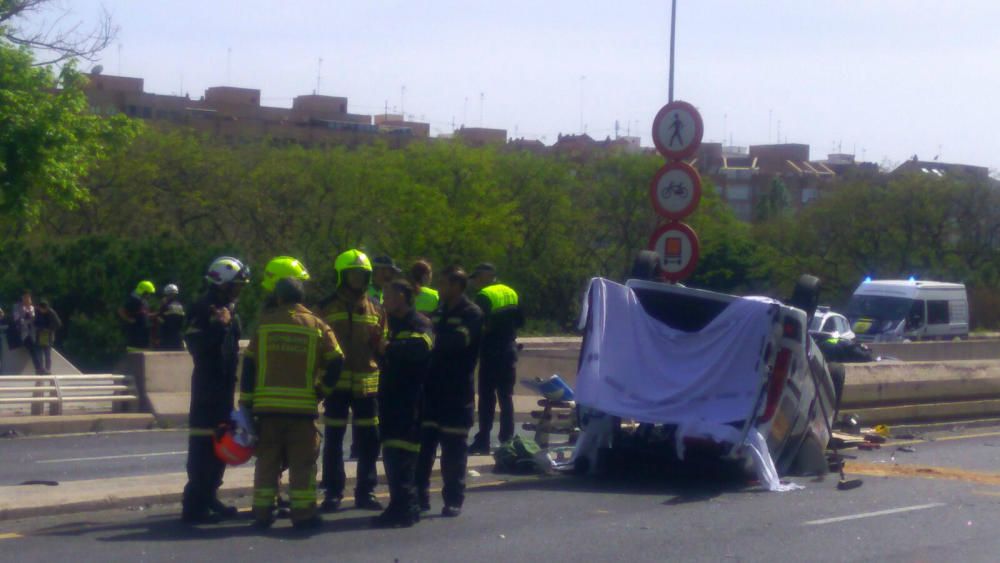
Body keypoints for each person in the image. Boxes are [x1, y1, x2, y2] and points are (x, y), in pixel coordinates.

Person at [241, 276, 344, 530]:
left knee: (266, 463)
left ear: (278, 297)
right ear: (302, 298)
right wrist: (323, 390)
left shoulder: (264, 325)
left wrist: (246, 403)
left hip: (267, 410)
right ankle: (303, 515)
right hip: (301, 409)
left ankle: (263, 513)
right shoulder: (316, 325)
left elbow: (250, 366)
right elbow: (337, 360)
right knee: (302, 465)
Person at [180, 257, 250, 524]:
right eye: (236, 285)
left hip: (223, 388)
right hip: (206, 390)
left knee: (220, 444)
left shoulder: (229, 310)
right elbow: (198, 348)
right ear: (221, 284)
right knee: (202, 448)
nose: (239, 290)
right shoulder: (202, 309)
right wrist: (219, 326)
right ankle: (194, 505)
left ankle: (209, 496)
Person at [320, 249, 386, 511]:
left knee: (370, 440)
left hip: (368, 385)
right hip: (336, 385)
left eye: (362, 274)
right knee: (334, 440)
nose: (358, 279)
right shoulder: (325, 307)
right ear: (342, 276)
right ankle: (333, 492)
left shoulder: (377, 308)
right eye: (353, 274)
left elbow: (383, 346)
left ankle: (366, 491)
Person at [417, 266, 482, 517]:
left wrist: (429, 338)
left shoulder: (472, 313)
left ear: (456, 286)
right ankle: (420, 496)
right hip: (432, 389)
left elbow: (457, 342)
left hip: (457, 392)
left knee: (454, 451)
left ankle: (453, 499)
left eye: (443, 283)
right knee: (424, 448)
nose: (439, 288)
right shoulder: (440, 311)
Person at [374, 280, 433, 528]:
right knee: (391, 453)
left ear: (401, 296)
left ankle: (408, 508)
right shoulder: (388, 323)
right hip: (390, 397)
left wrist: (387, 347)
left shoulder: (419, 323)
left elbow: (422, 348)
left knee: (405, 455)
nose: (383, 298)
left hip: (410, 398)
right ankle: (397, 504)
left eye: (386, 293)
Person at [468, 263, 524, 454]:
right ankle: (507, 439)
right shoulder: (511, 292)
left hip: (491, 351)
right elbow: (521, 321)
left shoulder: (484, 295)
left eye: (477, 277)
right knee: (506, 397)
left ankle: (483, 440)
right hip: (509, 349)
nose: (475, 281)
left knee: (486, 398)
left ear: (486, 276)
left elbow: (479, 325)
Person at [119, 281, 156, 350]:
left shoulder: (144, 301)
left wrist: (156, 314)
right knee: (134, 355)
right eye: (149, 293)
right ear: (144, 292)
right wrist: (128, 319)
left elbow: (145, 314)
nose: (150, 295)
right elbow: (121, 310)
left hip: (144, 336)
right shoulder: (132, 300)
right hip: (135, 336)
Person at [13, 291, 43, 374]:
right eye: (25, 298)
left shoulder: (33, 308)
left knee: (37, 350)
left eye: (29, 298)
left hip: (34, 333)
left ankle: (40, 368)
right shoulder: (17, 307)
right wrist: (28, 319)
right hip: (24, 333)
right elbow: (17, 320)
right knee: (33, 349)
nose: (27, 300)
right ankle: (39, 368)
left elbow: (36, 320)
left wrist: (30, 314)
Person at [33, 300, 62, 374]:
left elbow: (58, 324)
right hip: (39, 335)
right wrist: (38, 327)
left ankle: (48, 370)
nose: (41, 310)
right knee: (39, 354)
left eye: (42, 309)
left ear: (46, 308)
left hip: (48, 336)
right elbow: (35, 322)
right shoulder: (37, 312)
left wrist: (49, 329)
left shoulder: (51, 313)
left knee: (47, 354)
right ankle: (41, 369)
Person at [156, 284, 186, 350]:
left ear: (167, 294)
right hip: (178, 336)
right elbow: (182, 321)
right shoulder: (180, 305)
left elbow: (160, 319)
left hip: (167, 336)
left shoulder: (165, 305)